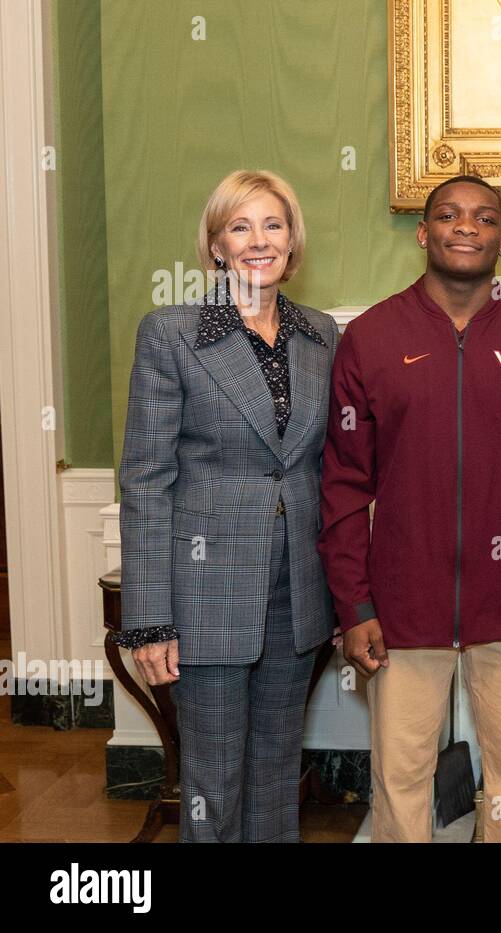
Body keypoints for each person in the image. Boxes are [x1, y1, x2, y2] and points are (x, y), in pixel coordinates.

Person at [318, 175, 501, 843]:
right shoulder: (372, 338)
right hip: (401, 606)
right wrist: (356, 604)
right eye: (450, 215)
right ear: (423, 231)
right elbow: (344, 484)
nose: (467, 226)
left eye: (484, 217)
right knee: (400, 782)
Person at [118, 170, 339, 842]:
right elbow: (145, 480)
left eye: (272, 224)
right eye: (239, 226)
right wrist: (149, 620)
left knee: (276, 777)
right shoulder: (172, 333)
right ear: (216, 244)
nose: (258, 240)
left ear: (293, 241)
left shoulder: (320, 336)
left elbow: (328, 470)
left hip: (295, 592)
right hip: (205, 589)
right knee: (213, 784)